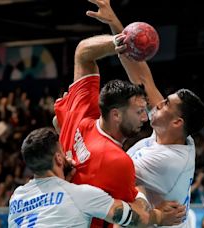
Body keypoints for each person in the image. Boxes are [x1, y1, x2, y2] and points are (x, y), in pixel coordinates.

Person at [53, 18, 185, 227]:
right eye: (139, 112)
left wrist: (117, 41)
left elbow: (82, 53)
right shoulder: (117, 160)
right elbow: (134, 217)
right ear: (116, 115)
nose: (145, 118)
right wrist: (158, 212)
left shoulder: (80, 113)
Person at [86, 1, 204, 227]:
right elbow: (141, 77)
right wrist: (117, 28)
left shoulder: (168, 161)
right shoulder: (177, 137)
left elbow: (109, 175)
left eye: (165, 105)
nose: (158, 104)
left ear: (177, 122)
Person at [8, 127, 184, 227]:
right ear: (59, 158)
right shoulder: (80, 195)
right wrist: (158, 214)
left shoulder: (17, 197)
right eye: (63, 151)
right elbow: (134, 219)